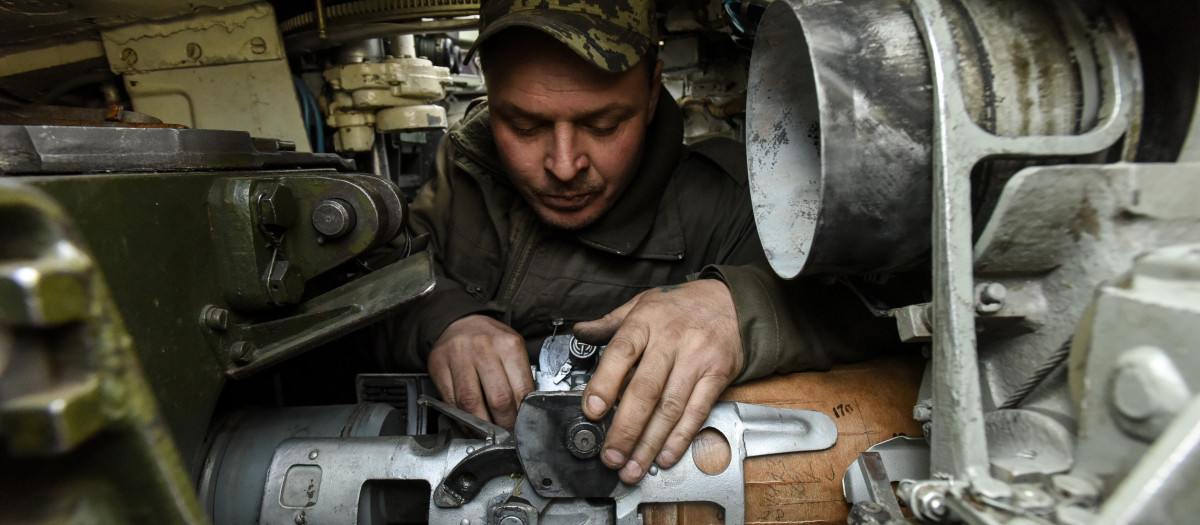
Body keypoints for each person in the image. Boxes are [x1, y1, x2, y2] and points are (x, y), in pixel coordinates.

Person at [384, 0, 881, 484]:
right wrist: (445, 318)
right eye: (524, 125)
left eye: (602, 125)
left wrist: (740, 309)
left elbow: (865, 312)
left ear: (650, 93)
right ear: (490, 97)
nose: (563, 165)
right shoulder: (464, 170)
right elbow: (366, 287)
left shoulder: (729, 205)